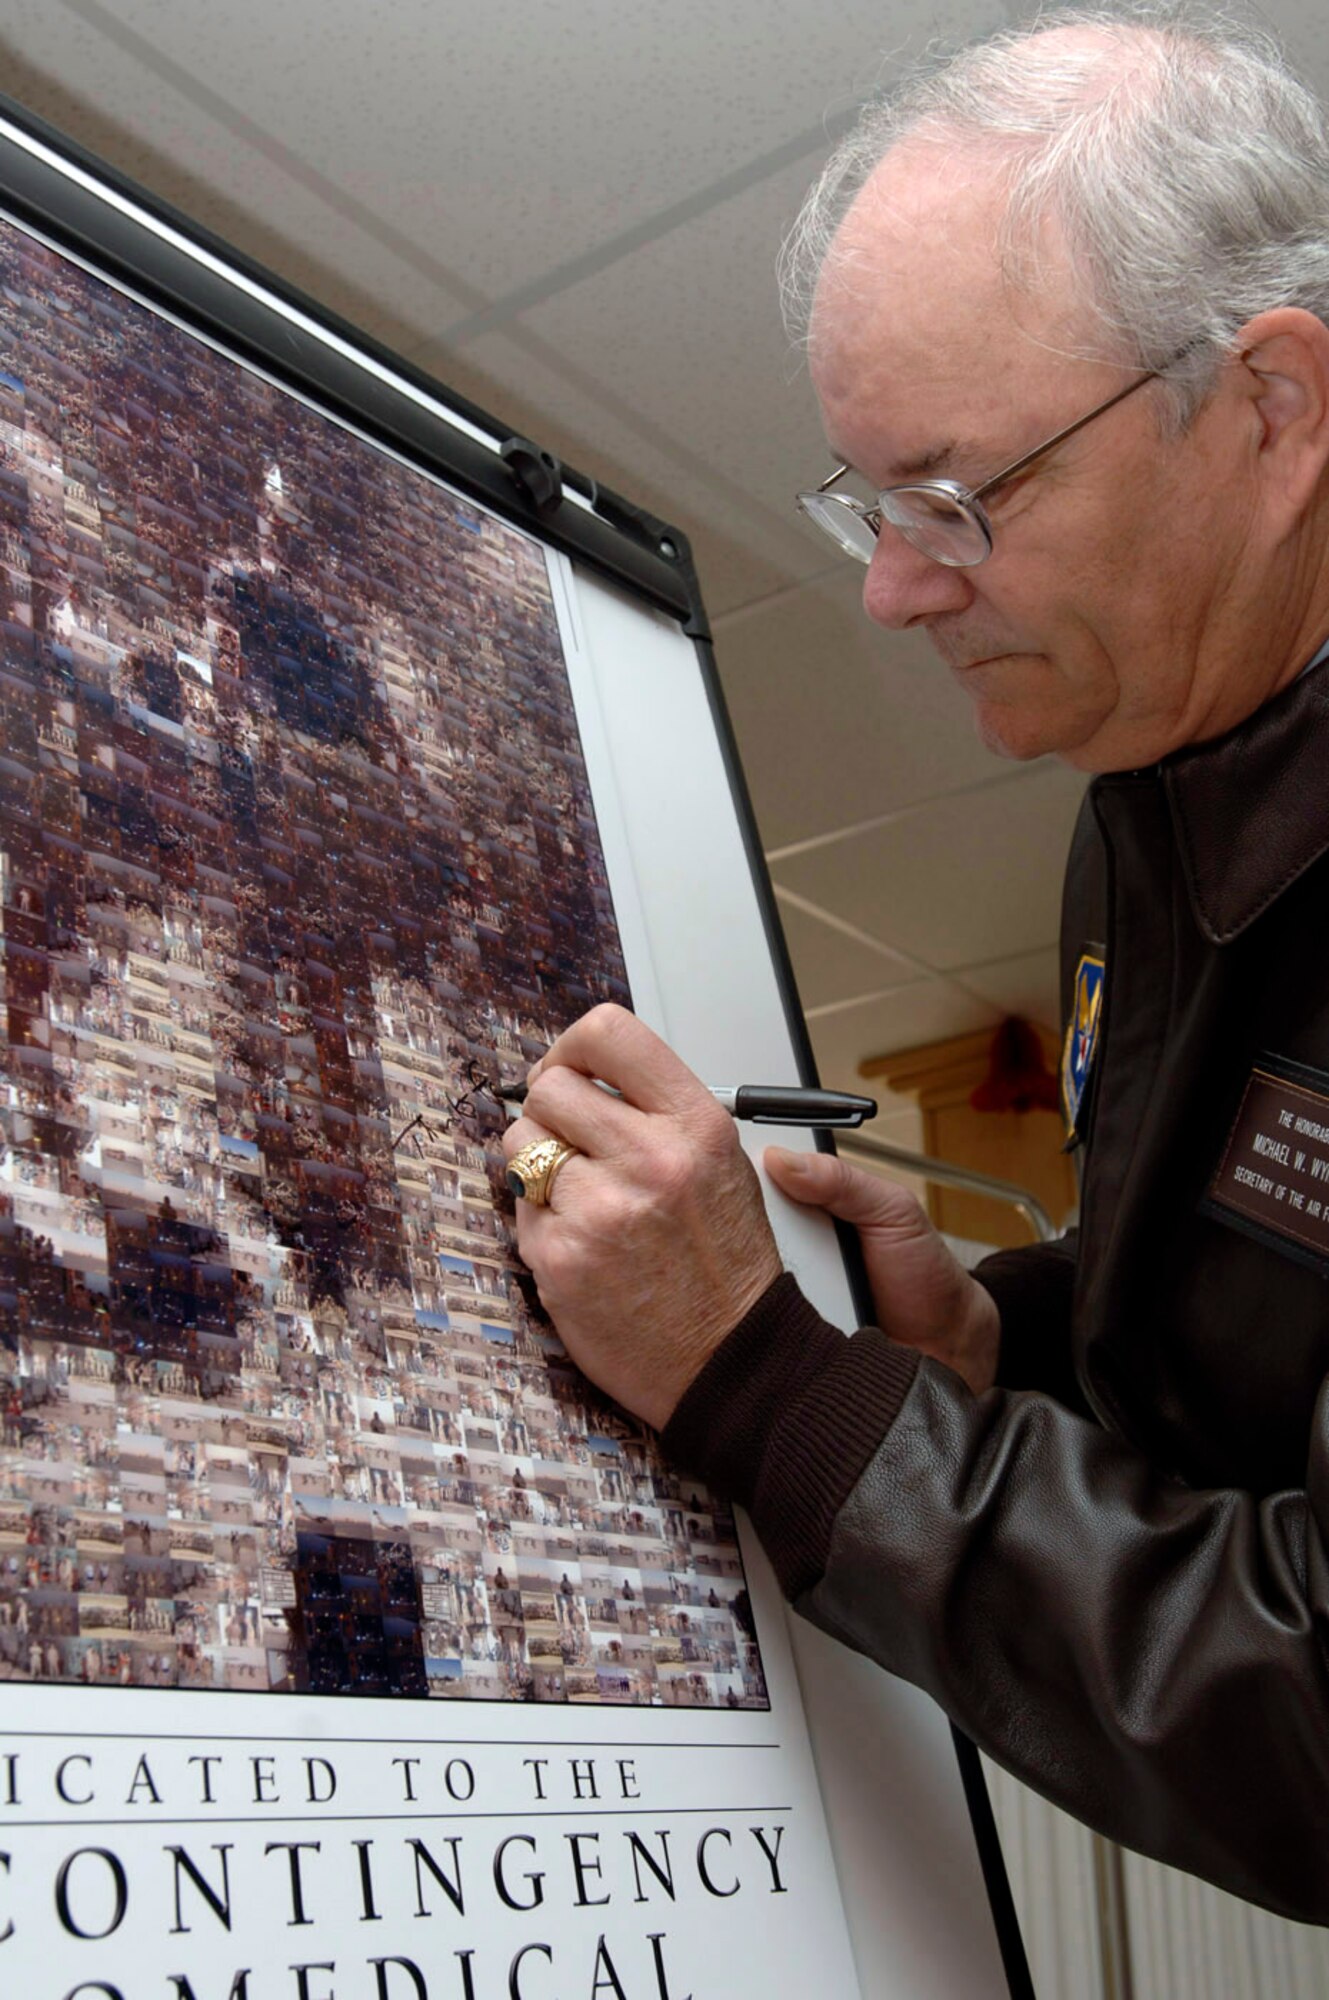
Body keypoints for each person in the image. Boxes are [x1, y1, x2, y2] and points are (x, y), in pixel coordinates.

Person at [502, 5, 1329, 1923]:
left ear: (1273, 411)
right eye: (866, 503)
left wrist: (771, 1388)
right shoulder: (1134, 797)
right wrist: (1000, 1336)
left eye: (956, 497)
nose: (887, 588)